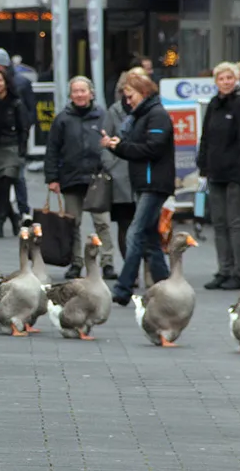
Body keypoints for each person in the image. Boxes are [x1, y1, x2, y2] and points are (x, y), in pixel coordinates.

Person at [101, 71, 175, 306]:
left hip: (154, 184)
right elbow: (137, 148)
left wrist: (121, 146)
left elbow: (152, 149)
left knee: (135, 232)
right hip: (145, 182)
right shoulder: (142, 115)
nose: (127, 100)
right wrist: (117, 147)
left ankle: (123, 288)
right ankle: (166, 285)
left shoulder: (157, 115)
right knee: (150, 237)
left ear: (143, 93)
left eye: (130, 95)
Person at [198, 62, 240, 291]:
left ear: (236, 80)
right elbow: (206, 137)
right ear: (215, 82)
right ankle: (223, 270)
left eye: (229, 78)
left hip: (237, 174)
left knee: (236, 224)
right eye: (221, 78)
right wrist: (202, 165)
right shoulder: (214, 104)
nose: (225, 82)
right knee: (219, 224)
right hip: (216, 173)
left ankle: (239, 272)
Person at [46, 76, 116, 279]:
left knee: (102, 222)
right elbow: (53, 150)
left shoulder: (103, 116)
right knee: (72, 224)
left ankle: (108, 262)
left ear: (91, 93)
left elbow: (113, 144)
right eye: (75, 91)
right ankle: (76, 263)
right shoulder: (62, 119)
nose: (79, 95)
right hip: (70, 177)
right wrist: (52, 178)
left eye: (82, 91)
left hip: (97, 178)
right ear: (70, 95)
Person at [0, 48, 36, 226]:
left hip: (13, 138)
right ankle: (2, 213)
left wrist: (23, 129)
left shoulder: (21, 83)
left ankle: (22, 210)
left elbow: (30, 108)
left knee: (16, 176)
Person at [101, 71, 136, 269]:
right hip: (120, 177)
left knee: (142, 226)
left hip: (141, 176)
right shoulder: (113, 111)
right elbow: (104, 142)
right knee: (124, 224)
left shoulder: (147, 111)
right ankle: (129, 268)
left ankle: (143, 268)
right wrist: (112, 167)